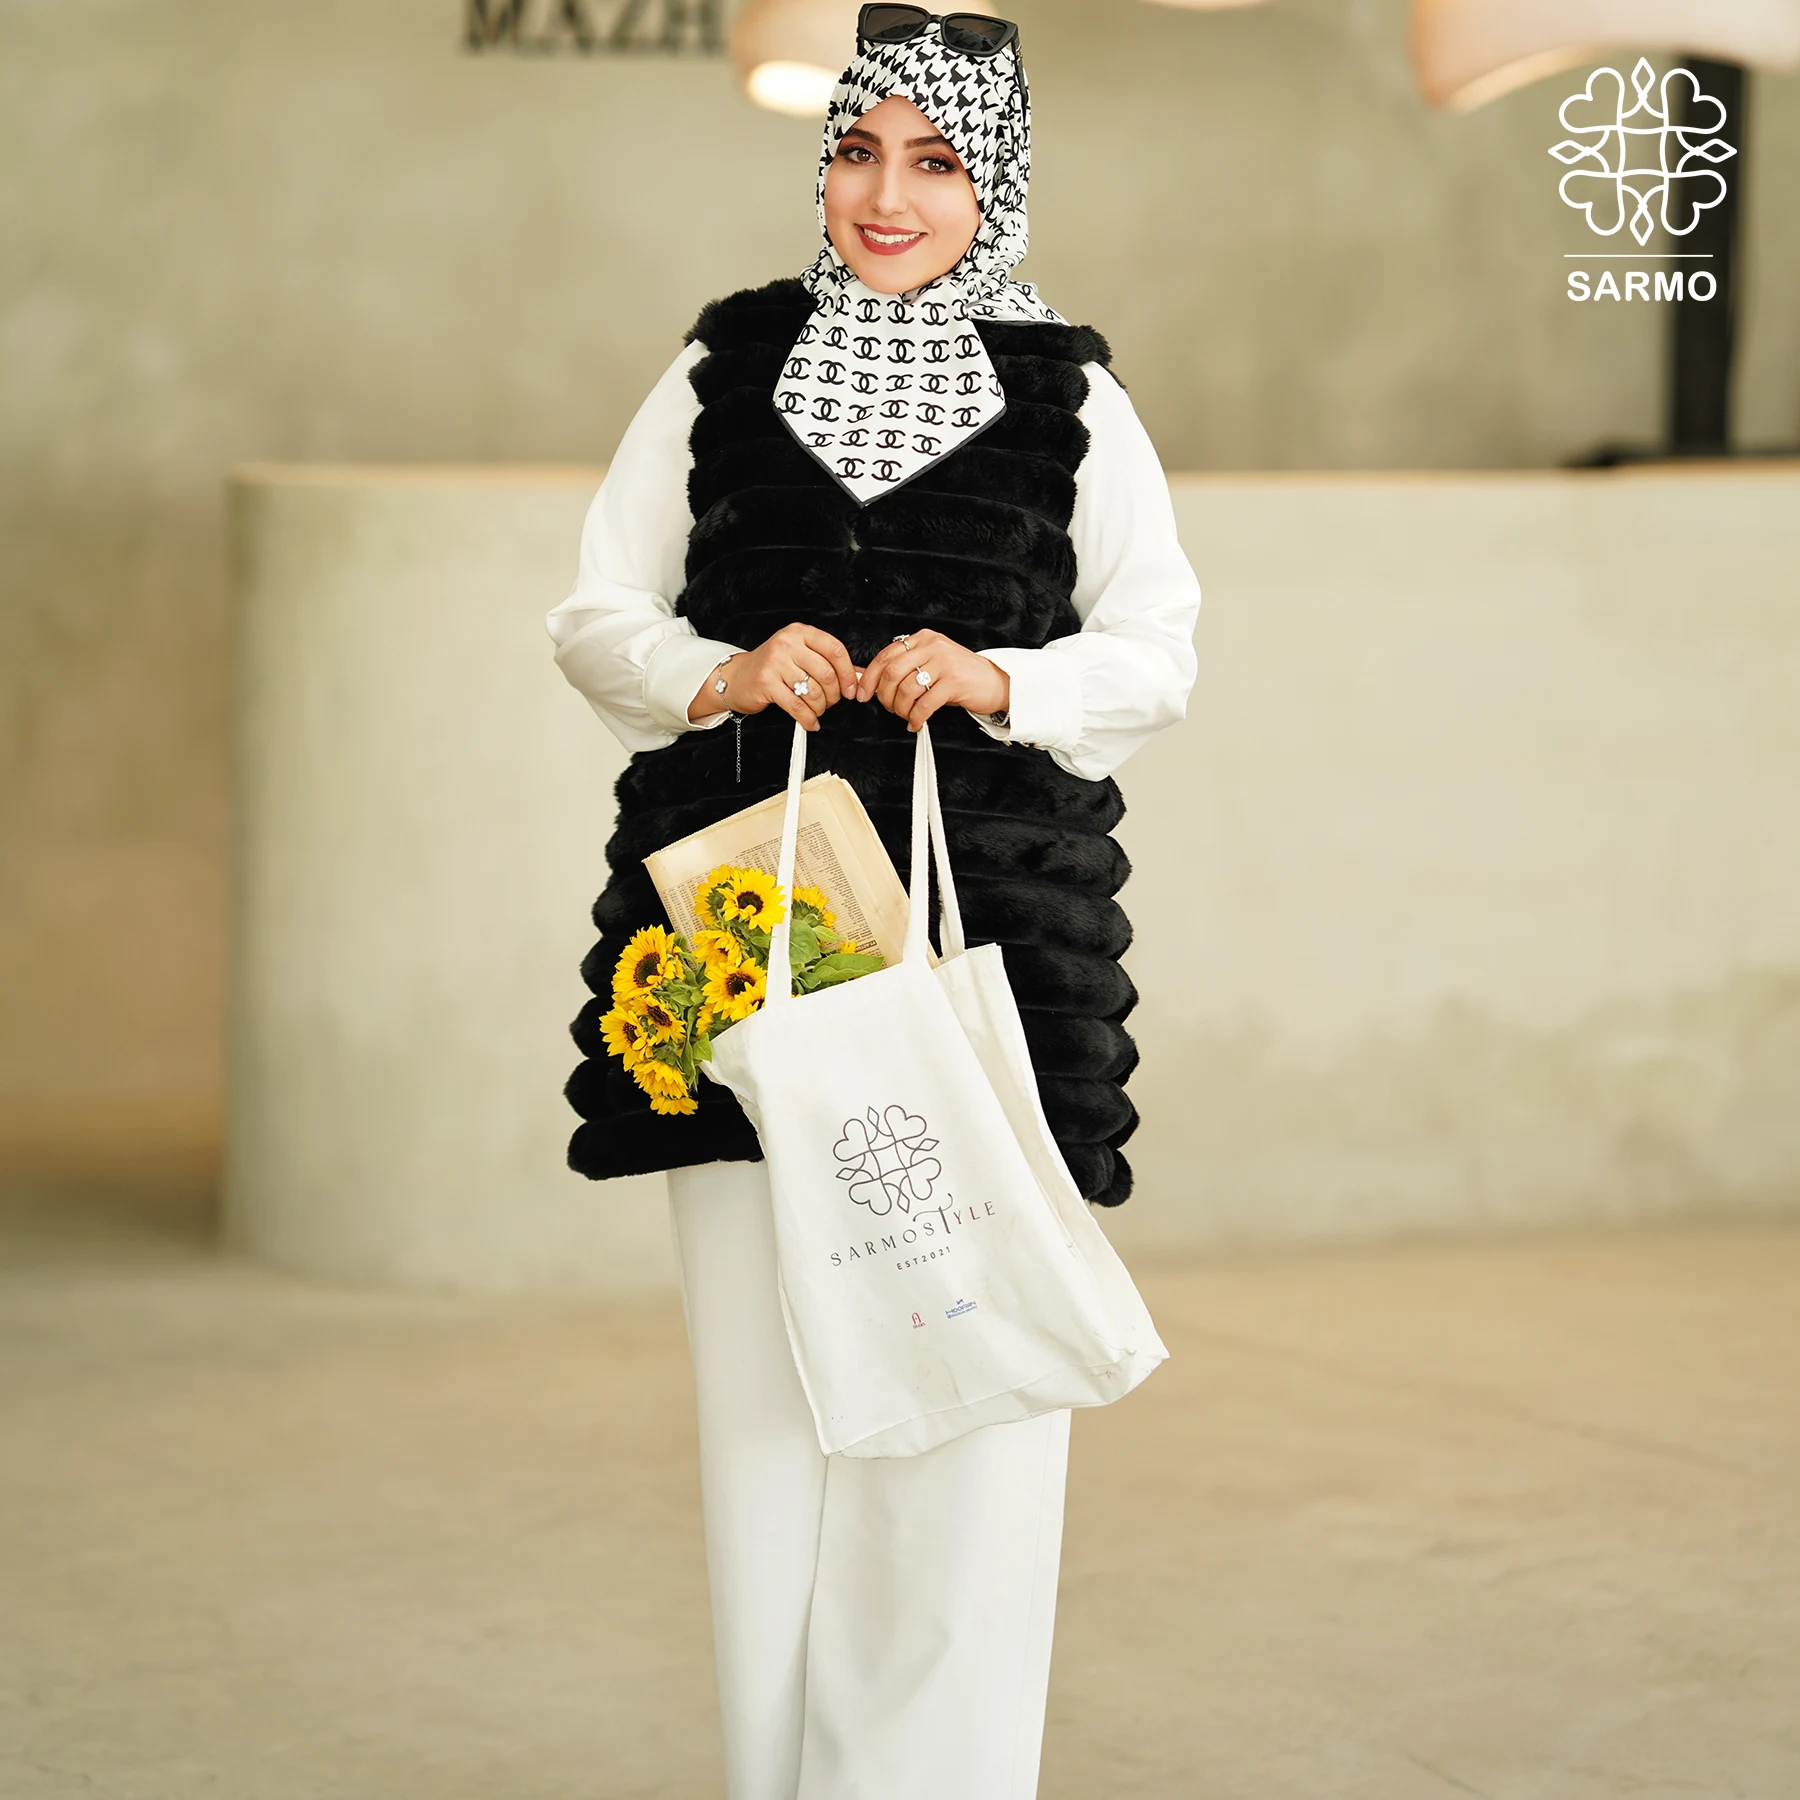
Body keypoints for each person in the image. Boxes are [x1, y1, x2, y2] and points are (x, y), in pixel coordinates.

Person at [546, 9, 1200, 1796]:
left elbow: (1157, 651)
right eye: (856, 151)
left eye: (936, 162)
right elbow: (597, 613)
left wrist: (1000, 678)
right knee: (769, 1411)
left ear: (997, 186)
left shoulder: (1067, 395)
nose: (886, 195)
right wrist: (718, 670)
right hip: (745, 935)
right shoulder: (725, 367)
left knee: (973, 1390)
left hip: (997, 944)